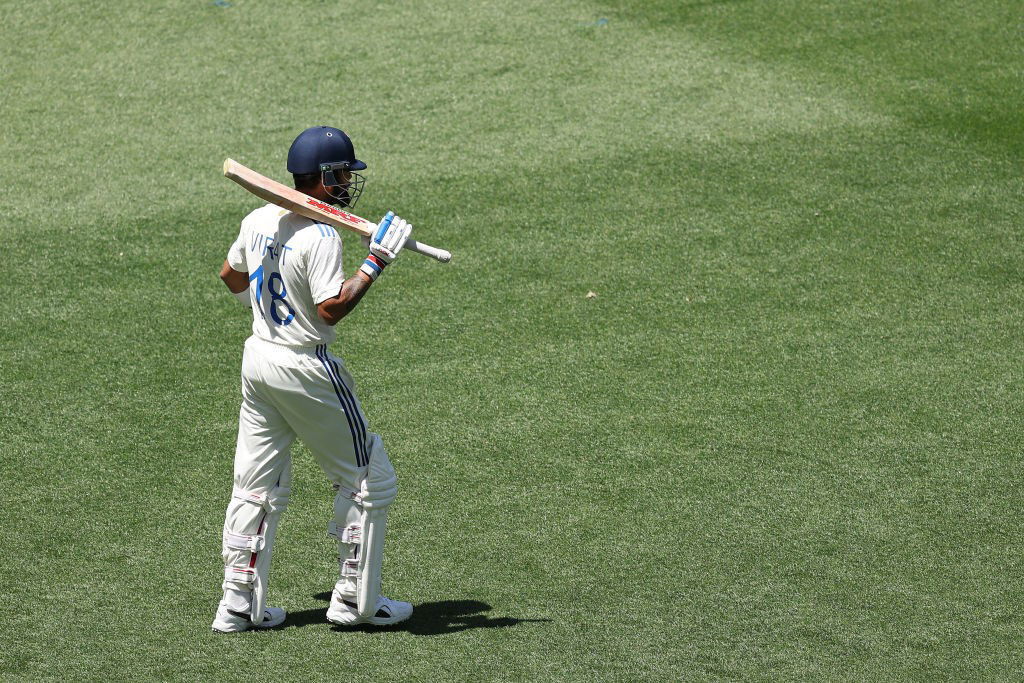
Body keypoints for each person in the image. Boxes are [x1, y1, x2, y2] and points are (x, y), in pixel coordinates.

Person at [211, 125, 415, 633]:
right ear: (323, 177)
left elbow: (231, 276)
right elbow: (330, 310)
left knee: (254, 486)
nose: (348, 180)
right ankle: (356, 602)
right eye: (343, 172)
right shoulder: (321, 235)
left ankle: (237, 605)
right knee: (371, 479)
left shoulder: (258, 218)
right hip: (305, 365)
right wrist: (377, 260)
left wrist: (271, 320)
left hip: (258, 360)